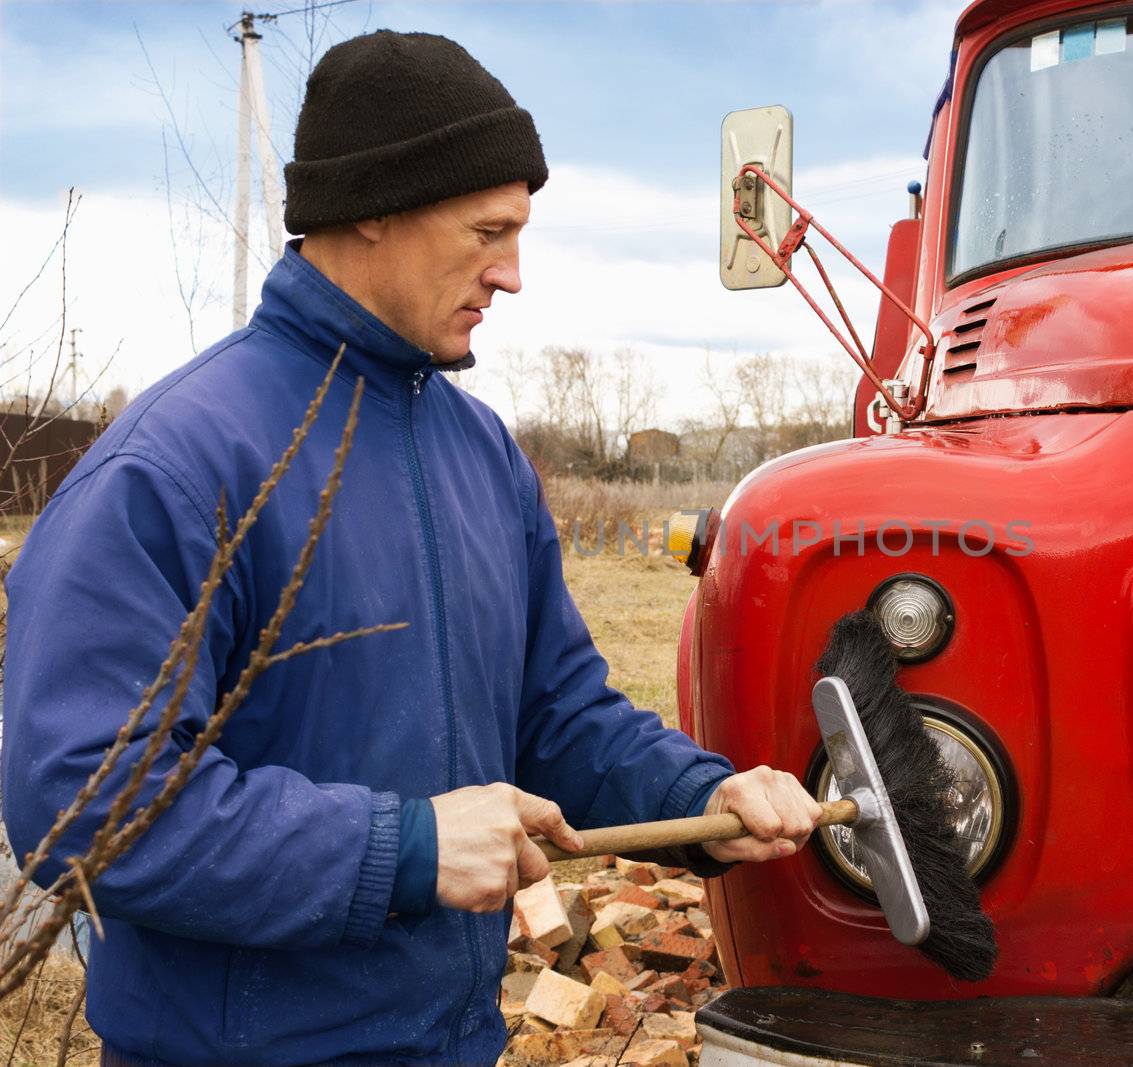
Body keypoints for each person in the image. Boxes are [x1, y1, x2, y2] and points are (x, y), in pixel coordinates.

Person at [0, 29, 822, 1067]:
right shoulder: (175, 464)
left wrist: (697, 797)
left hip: (448, 1043)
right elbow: (85, 806)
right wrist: (405, 848)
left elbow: (554, 713)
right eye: (489, 230)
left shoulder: (481, 453)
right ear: (373, 208)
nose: (514, 274)